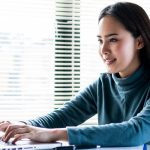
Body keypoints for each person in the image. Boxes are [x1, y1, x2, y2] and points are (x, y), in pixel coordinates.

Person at [0, 1, 150, 147]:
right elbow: (63, 116)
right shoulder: (104, 84)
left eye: (113, 40)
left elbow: (137, 131)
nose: (103, 50)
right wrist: (24, 126)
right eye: (100, 40)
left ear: (139, 42)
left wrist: (54, 134)